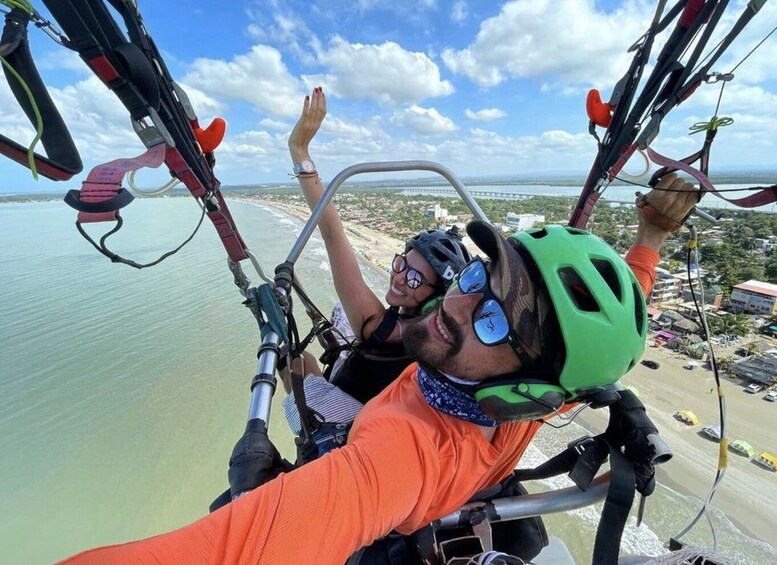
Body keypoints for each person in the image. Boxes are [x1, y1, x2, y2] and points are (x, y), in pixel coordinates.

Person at [60, 171, 699, 563]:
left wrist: (261, 492)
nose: (460, 303)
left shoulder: (403, 452)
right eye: (479, 276)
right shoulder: (546, 389)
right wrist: (650, 237)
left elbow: (229, 553)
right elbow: (614, 313)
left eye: (497, 320)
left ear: (528, 383)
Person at [282, 87, 471, 458]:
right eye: (402, 263)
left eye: (414, 279)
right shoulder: (444, 339)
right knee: (324, 335)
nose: (399, 277)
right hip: (390, 413)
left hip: (359, 425)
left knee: (293, 362)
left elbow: (333, 234)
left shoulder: (380, 329)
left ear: (433, 299)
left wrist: (300, 155)